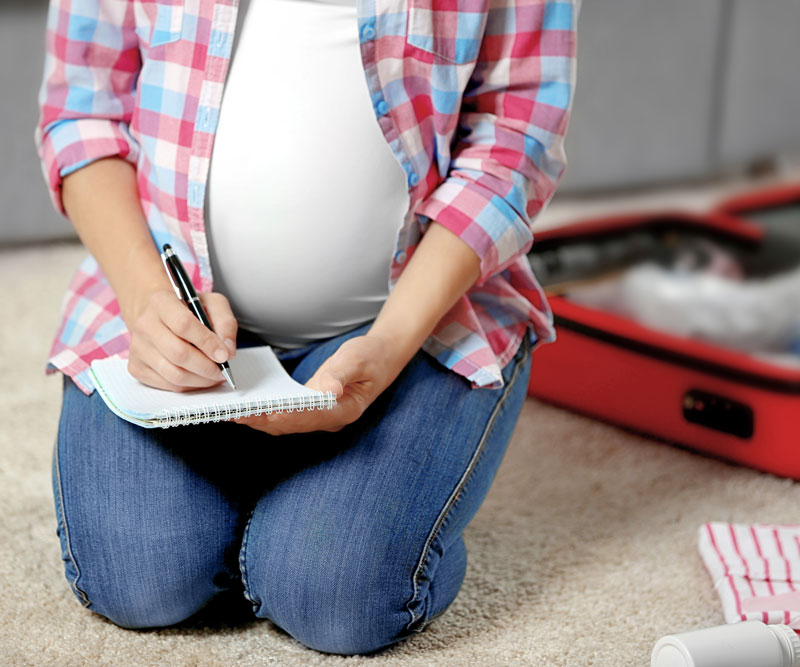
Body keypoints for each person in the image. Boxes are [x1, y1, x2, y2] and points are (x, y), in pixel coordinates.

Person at [35, 0, 577, 655]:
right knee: (140, 580)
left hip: (415, 329)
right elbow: (83, 110)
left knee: (338, 596)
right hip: (162, 305)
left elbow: (513, 145)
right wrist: (150, 298)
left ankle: (334, 514)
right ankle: (294, 499)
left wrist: (386, 344)